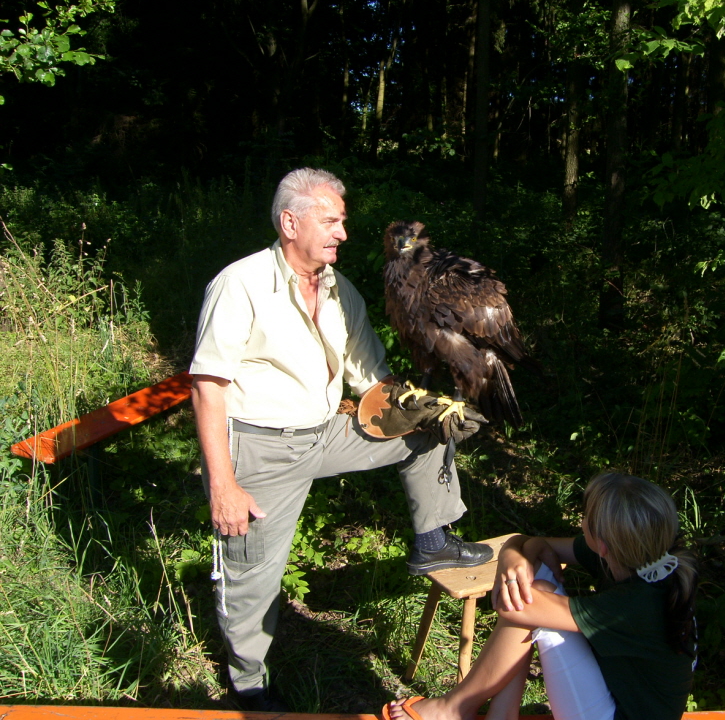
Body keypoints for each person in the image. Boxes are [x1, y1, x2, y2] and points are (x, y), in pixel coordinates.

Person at [189, 167, 493, 712]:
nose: (343, 234)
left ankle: (432, 541)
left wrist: (423, 408)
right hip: (261, 447)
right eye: (329, 221)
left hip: (327, 432)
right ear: (289, 222)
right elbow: (208, 387)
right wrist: (223, 485)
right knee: (252, 578)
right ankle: (248, 681)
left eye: (343, 222)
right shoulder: (240, 284)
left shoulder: (339, 290)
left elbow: (370, 377)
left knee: (427, 432)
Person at [382, 472, 698, 720]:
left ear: (601, 543)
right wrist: (512, 556)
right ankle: (499, 715)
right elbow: (533, 544)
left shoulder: (636, 605)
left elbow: (521, 607)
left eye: (584, 516)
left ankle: (454, 707)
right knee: (534, 578)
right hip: (615, 695)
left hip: (616, 716)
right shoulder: (637, 559)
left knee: (532, 597)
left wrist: (516, 557)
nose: (580, 521)